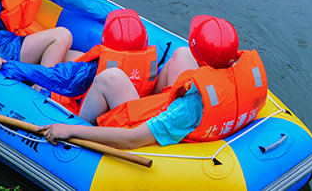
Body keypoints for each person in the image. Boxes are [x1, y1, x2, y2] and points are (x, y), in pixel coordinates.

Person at [36, 15, 268, 149]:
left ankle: (79, 122)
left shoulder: (188, 108)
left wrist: (70, 131)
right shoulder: (246, 75)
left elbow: (132, 139)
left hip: (143, 125)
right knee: (182, 53)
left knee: (110, 78)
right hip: (191, 109)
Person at [49, 8, 159, 120]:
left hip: (88, 117)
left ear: (104, 39)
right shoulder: (148, 64)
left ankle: (35, 89)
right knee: (71, 55)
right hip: (132, 104)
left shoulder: (98, 69)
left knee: (65, 58)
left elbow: (72, 84)